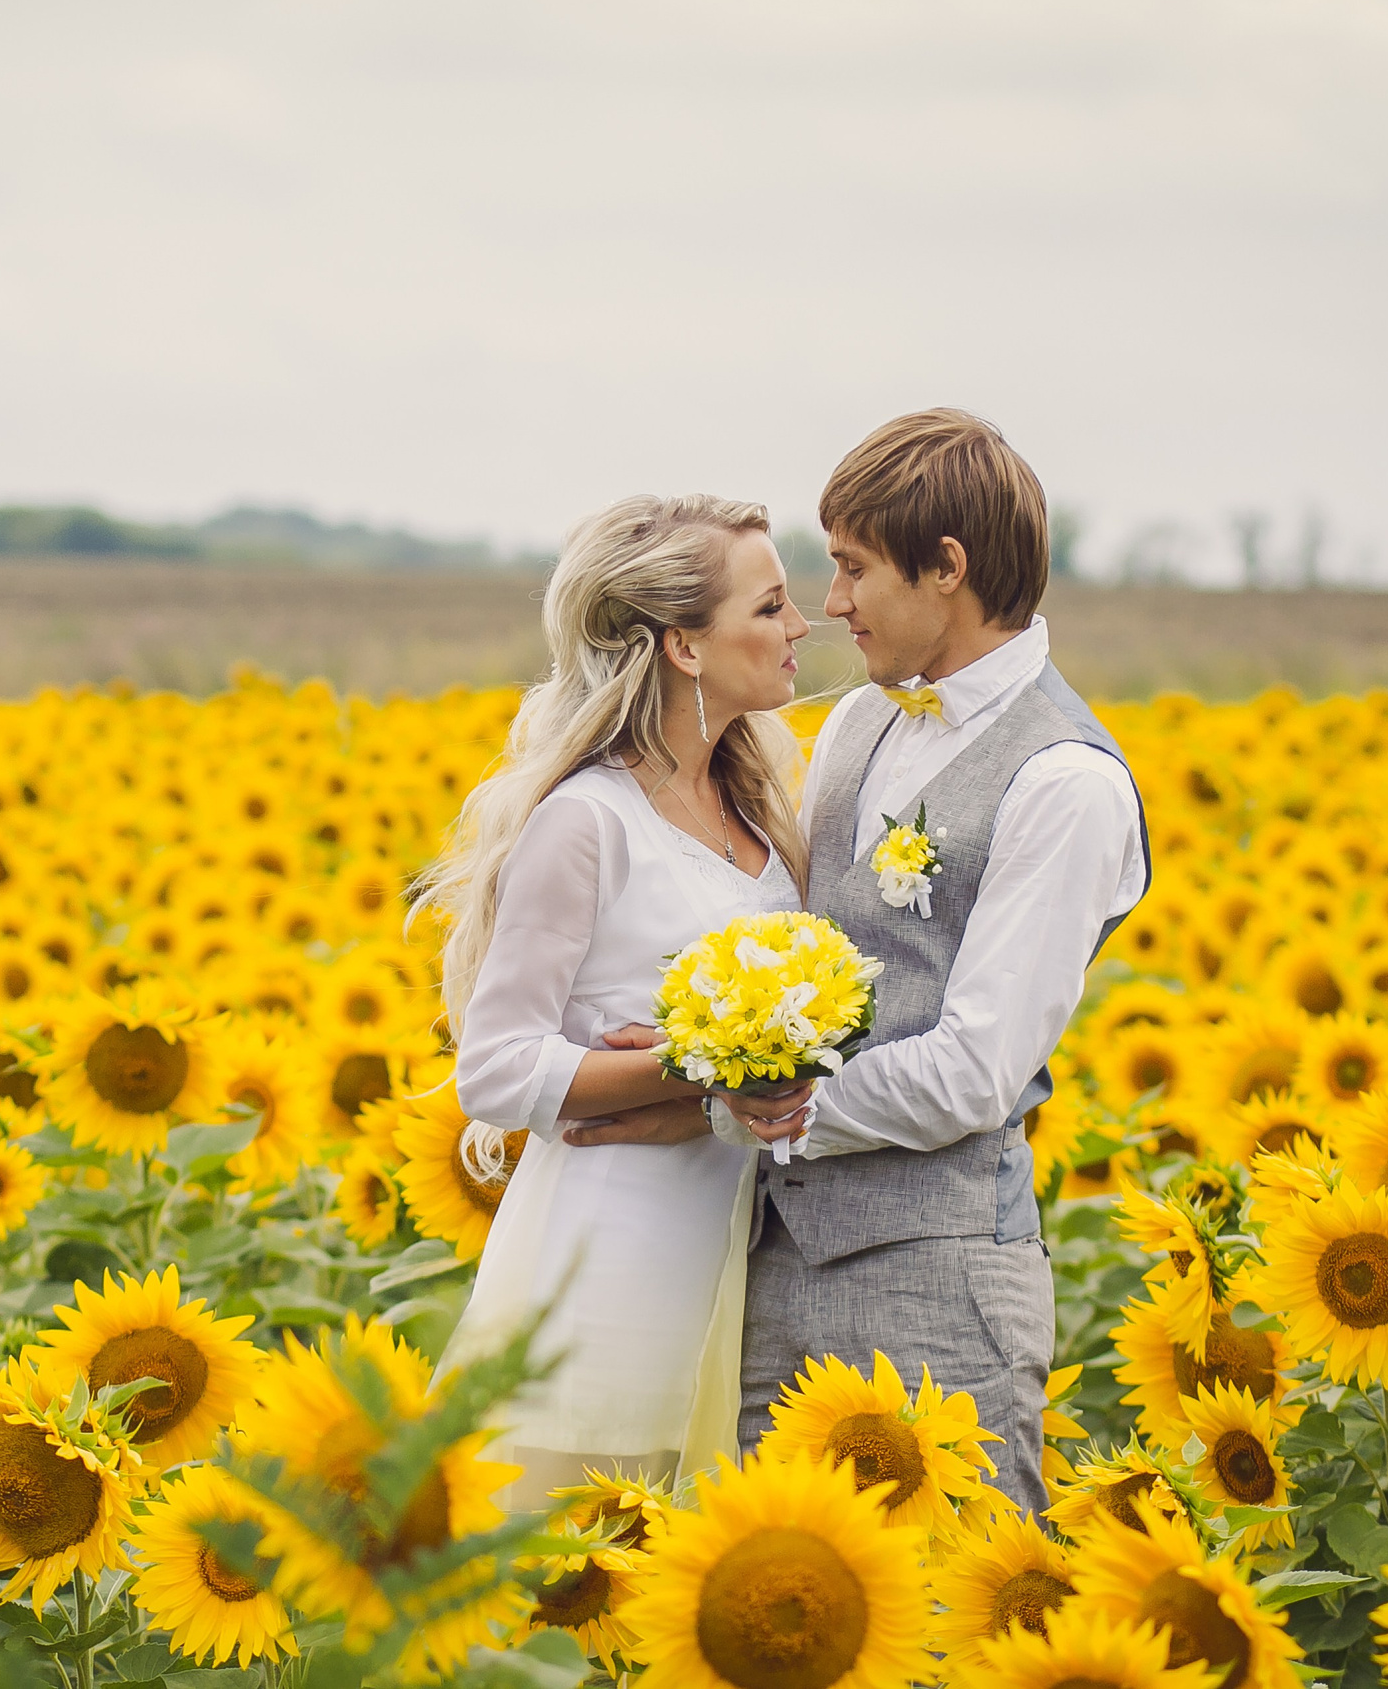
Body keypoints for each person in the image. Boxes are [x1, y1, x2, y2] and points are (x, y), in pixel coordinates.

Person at [712, 408, 1151, 1517]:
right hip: (774, 1261)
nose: (833, 602)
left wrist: (778, 1109)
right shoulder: (859, 724)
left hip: (940, 1284)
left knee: (952, 1594)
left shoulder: (1064, 782)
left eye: (855, 567)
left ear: (946, 567)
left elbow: (974, 1070)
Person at [427, 492, 810, 1507]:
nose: (800, 625)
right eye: (769, 606)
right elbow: (496, 1069)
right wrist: (698, 1066)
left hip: (733, 1252)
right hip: (610, 1263)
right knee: (565, 1558)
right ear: (683, 645)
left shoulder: (757, 809)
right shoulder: (588, 820)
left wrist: (718, 1093)